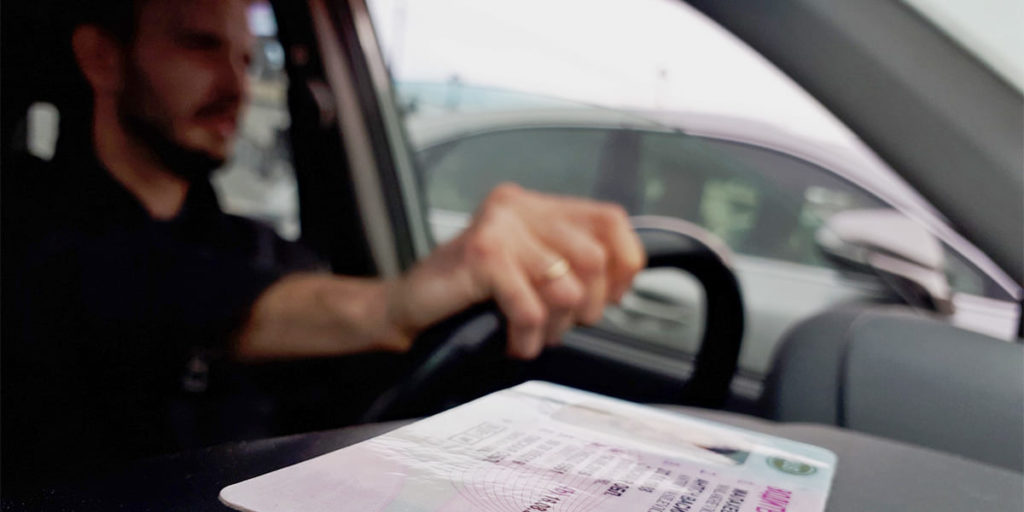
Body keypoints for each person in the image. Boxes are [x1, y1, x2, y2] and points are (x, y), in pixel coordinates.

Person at [3, 0, 644, 467]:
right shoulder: (26, 229)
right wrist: (388, 307)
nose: (235, 85)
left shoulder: (263, 250)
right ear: (102, 58)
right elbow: (125, 289)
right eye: (200, 46)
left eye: (246, 57)